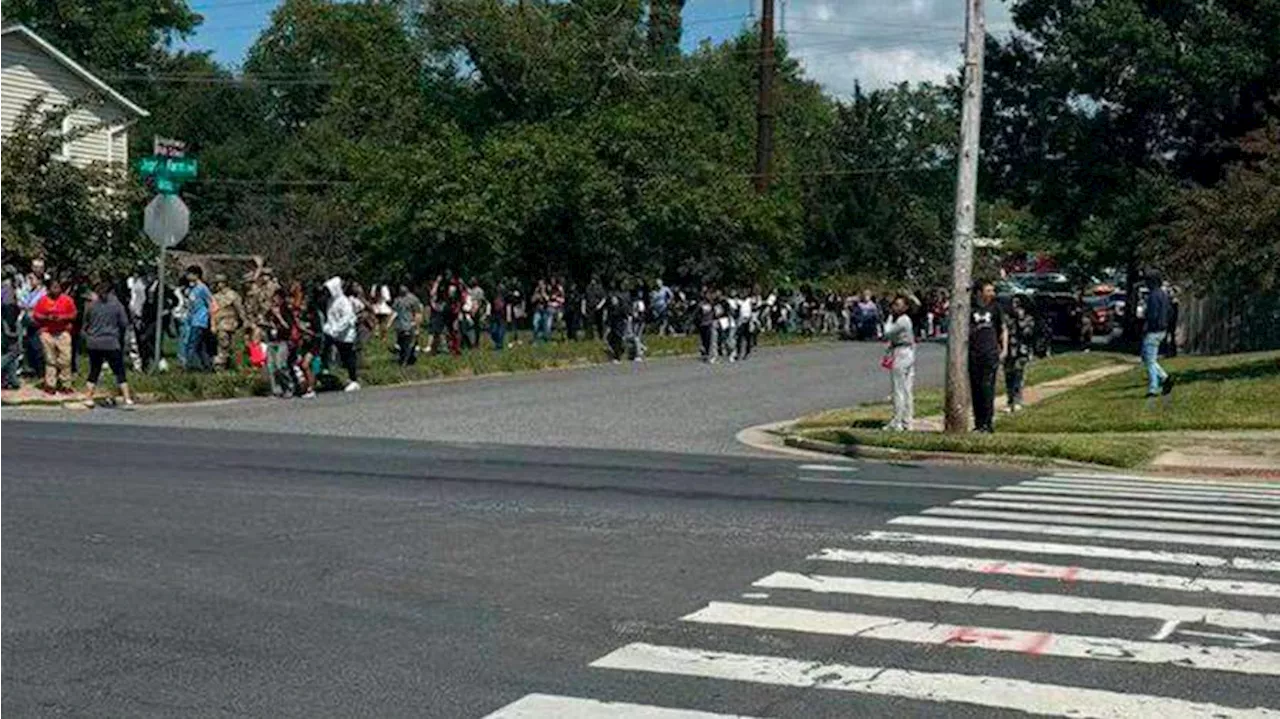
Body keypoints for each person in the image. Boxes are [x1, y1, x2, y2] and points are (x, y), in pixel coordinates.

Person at [81, 280, 134, 409]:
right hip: (111, 342)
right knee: (119, 371)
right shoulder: (117, 306)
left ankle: (88, 398)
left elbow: (86, 323)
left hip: (94, 342)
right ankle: (127, 398)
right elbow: (124, 323)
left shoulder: (92, 306)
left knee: (94, 370)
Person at [968, 281, 1007, 433]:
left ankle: (988, 423)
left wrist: (1004, 349)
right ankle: (978, 423)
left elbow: (1003, 329)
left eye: (992, 290)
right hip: (973, 354)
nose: (992, 293)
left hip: (990, 353)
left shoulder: (996, 308)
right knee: (976, 389)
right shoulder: (970, 309)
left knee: (987, 388)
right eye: (988, 290)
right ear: (979, 292)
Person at [33, 276, 78, 393]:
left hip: (63, 331)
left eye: (58, 287)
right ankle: (50, 384)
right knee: (50, 359)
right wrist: (47, 317)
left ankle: (65, 384)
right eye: (53, 287)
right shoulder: (43, 300)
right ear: (49, 289)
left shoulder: (67, 300)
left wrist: (62, 318)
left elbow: (74, 315)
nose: (56, 290)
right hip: (47, 332)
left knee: (65, 358)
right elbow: (36, 315)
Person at [882, 295, 915, 431]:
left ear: (905, 307)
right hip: (906, 351)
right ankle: (906, 420)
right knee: (906, 388)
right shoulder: (904, 320)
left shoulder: (902, 320)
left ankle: (898, 421)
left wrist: (889, 317)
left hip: (902, 352)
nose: (895, 307)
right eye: (894, 304)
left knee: (899, 389)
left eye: (899, 305)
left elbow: (887, 332)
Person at [322, 276, 360, 392]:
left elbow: (347, 318)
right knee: (325, 352)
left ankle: (353, 380)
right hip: (332, 333)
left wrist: (335, 330)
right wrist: (328, 328)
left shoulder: (344, 301)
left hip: (345, 335)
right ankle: (327, 374)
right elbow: (330, 317)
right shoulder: (330, 301)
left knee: (348, 357)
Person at [1142, 270, 1174, 398]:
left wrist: (1147, 326)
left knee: (1149, 359)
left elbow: (1152, 314)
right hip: (1163, 330)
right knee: (1149, 358)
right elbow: (1170, 312)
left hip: (1153, 330)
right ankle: (1164, 378)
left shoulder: (1153, 296)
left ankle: (1154, 387)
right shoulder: (1164, 295)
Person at [1004, 296, 1036, 412]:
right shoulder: (1007, 318)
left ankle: (1017, 400)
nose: (1015, 306)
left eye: (1018, 303)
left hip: (1021, 350)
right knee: (1009, 376)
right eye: (1013, 303)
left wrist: (1020, 319)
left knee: (1018, 375)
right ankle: (1010, 400)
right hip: (1009, 350)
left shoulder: (1029, 319)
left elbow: (1027, 333)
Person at [264, 288, 296, 397]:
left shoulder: (286, 311)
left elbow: (288, 326)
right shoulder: (270, 311)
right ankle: (276, 390)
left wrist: (279, 316)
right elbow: (267, 322)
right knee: (271, 366)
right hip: (272, 341)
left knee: (280, 365)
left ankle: (289, 386)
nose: (275, 300)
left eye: (277, 298)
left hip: (283, 341)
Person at [211, 274, 246, 370]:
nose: (219, 285)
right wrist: (213, 325)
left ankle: (239, 365)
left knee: (236, 347)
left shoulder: (233, 295)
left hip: (233, 323)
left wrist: (244, 320)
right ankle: (221, 366)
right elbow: (213, 312)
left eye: (221, 282)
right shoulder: (215, 297)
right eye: (217, 283)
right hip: (221, 323)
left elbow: (240, 309)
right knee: (223, 344)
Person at [183, 265, 214, 372]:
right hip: (192, 320)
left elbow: (211, 302)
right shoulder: (193, 288)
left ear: (196, 275)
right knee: (200, 346)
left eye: (189, 274)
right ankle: (207, 366)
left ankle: (189, 367)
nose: (187, 276)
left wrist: (211, 318)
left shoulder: (202, 288)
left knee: (192, 344)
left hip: (200, 320)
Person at [392, 283, 423, 366]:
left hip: (410, 325)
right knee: (401, 344)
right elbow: (394, 312)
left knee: (409, 344)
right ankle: (403, 359)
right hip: (400, 325)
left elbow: (418, 314)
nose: (402, 288)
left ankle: (406, 361)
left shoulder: (413, 299)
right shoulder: (397, 299)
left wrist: (417, 327)